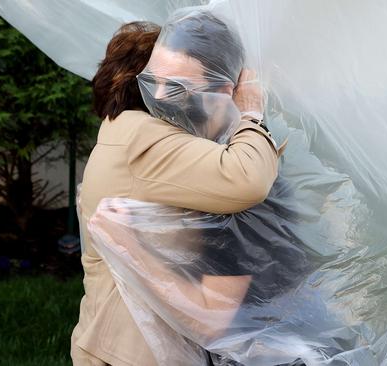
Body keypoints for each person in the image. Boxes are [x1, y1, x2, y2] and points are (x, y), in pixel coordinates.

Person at [71, 13, 279, 366]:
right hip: (127, 350)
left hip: (112, 342)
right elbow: (248, 178)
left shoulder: (121, 129)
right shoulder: (142, 136)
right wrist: (251, 114)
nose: (169, 95)